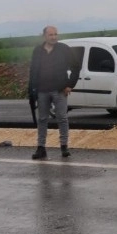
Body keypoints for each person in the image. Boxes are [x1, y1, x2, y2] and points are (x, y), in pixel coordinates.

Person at [27, 26, 79, 160]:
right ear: (44, 36)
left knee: (62, 118)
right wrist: (32, 90)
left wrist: (70, 84)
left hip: (60, 90)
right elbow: (33, 71)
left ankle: (64, 147)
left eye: (55, 34)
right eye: (51, 35)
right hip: (42, 90)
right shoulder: (38, 51)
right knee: (42, 119)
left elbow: (75, 66)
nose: (54, 37)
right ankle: (41, 148)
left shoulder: (64, 49)